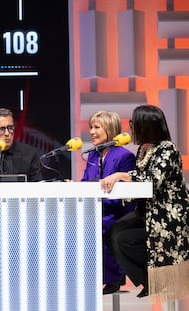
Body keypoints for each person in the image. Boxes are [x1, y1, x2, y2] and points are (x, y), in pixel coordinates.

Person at [101, 105, 189, 302]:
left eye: (133, 123)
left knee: (123, 239)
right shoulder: (143, 149)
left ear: (145, 125)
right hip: (147, 211)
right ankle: (149, 281)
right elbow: (139, 176)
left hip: (166, 216)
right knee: (112, 234)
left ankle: (159, 280)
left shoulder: (167, 149)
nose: (130, 127)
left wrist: (121, 175)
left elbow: (152, 179)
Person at [81, 111, 136, 295]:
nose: (92, 132)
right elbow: (86, 181)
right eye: (91, 127)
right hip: (96, 209)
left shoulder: (124, 156)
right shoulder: (93, 156)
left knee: (102, 226)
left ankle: (114, 276)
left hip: (116, 212)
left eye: (97, 127)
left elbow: (128, 189)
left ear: (110, 129)